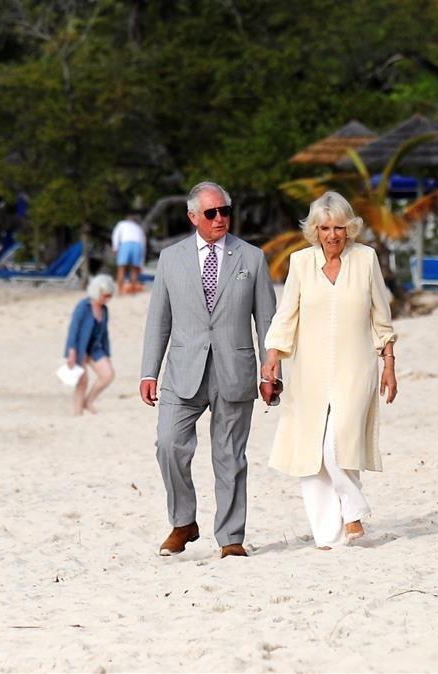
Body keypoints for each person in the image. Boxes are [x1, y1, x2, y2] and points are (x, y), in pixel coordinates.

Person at [139, 181, 277, 559]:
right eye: (212, 213)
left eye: (225, 210)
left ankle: (231, 538)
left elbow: (268, 321)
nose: (221, 218)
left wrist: (271, 373)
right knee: (168, 444)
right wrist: (148, 372)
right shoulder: (170, 259)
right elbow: (158, 321)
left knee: (230, 456)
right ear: (193, 217)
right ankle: (184, 521)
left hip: (235, 369)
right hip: (182, 369)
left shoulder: (252, 258)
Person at [261, 191, 398, 550]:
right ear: (315, 230)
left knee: (336, 445)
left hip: (357, 367)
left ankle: (353, 511)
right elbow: (286, 314)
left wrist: (389, 364)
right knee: (311, 454)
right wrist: (272, 356)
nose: (333, 235)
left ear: (349, 228)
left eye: (339, 227)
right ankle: (329, 537)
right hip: (309, 372)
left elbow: (381, 317)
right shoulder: (301, 263)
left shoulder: (366, 259)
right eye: (325, 228)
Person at [65, 275, 116, 415]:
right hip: (79, 348)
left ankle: (89, 401)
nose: (107, 299)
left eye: (109, 296)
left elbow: (104, 333)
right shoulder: (83, 306)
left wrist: (107, 354)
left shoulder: (104, 310)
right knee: (82, 381)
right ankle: (77, 411)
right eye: (105, 295)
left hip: (95, 348)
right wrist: (71, 351)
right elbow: (73, 329)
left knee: (108, 375)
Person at [112, 214, 147, 294]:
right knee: (134, 269)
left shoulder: (122, 224)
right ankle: (133, 291)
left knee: (121, 269)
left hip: (125, 244)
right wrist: (141, 262)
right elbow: (143, 244)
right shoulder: (139, 228)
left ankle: (120, 291)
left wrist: (115, 247)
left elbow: (116, 234)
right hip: (137, 245)